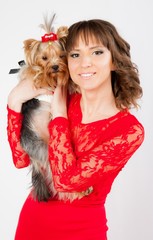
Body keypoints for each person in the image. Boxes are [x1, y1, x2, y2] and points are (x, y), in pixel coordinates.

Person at [7, 19, 144, 240]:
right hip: (32, 225)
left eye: (97, 52)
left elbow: (65, 181)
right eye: (75, 54)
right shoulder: (59, 98)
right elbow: (20, 159)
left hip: (82, 231)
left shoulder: (128, 131)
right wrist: (14, 101)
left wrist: (59, 114)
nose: (84, 63)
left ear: (114, 61)